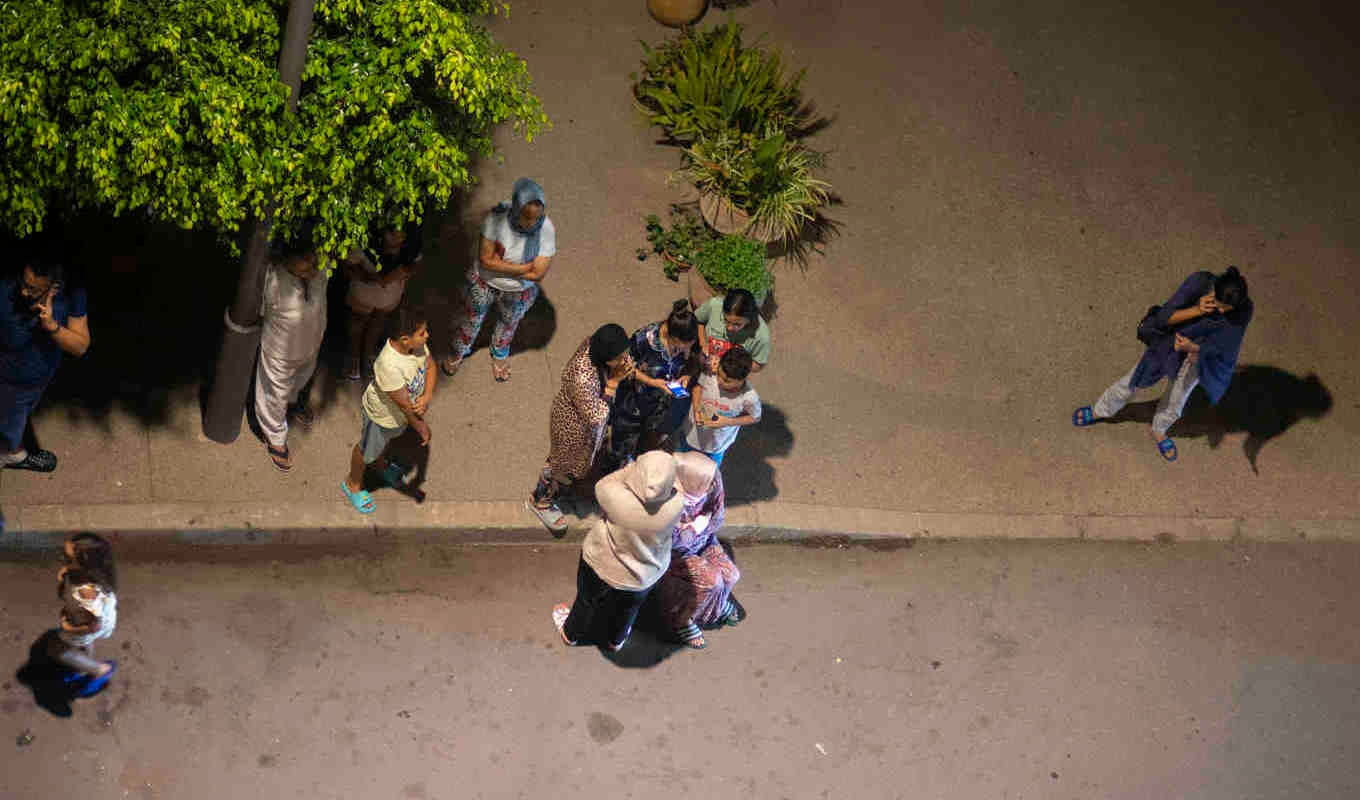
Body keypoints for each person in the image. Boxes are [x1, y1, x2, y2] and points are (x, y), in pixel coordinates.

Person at [1073, 266, 1253, 462]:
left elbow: (1226, 348)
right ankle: (1100, 410)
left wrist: (1196, 349)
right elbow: (1163, 318)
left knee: (1177, 399)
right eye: (1219, 305)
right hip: (1168, 346)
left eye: (1227, 309)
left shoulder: (1242, 311)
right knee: (1133, 381)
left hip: (1198, 357)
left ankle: (1159, 429)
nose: (1221, 311)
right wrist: (1197, 310)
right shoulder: (1200, 283)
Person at [551, 451, 685, 651]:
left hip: (601, 563)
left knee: (586, 599)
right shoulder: (677, 503)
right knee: (628, 609)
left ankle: (571, 634)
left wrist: (631, 468)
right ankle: (616, 640)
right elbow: (676, 486)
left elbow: (603, 484)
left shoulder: (617, 497)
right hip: (644, 576)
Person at [442, 178, 556, 383]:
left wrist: (500, 265)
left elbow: (538, 274)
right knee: (471, 319)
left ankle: (500, 351)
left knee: (509, 323)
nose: (532, 224)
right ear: (516, 209)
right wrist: (523, 268)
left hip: (519, 291)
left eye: (536, 218)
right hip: (485, 283)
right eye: (527, 218)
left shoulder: (546, 229)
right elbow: (486, 260)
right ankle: (459, 350)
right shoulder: (496, 219)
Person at [528, 324, 634, 534]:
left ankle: (564, 487)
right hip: (572, 428)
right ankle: (541, 500)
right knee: (559, 465)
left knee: (578, 464)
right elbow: (596, 417)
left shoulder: (594, 347)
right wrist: (613, 383)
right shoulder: (582, 376)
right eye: (619, 357)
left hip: (585, 424)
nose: (625, 360)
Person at [342, 306, 436, 513]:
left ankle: (380, 464)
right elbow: (403, 405)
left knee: (382, 443)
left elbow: (430, 366)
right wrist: (421, 427)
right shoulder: (389, 366)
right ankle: (352, 484)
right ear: (405, 339)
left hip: (399, 418)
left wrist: (427, 396)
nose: (427, 336)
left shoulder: (417, 348)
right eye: (422, 333)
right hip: (382, 418)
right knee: (365, 450)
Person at [1, 257, 90, 473]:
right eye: (23, 283)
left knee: (16, 419)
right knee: (10, 427)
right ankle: (12, 455)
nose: (23, 292)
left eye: (32, 289)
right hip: (9, 384)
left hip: (39, 378)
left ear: (54, 287)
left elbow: (80, 346)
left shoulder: (72, 292)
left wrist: (51, 326)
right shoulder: (5, 288)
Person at [657, 451, 743, 649]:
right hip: (675, 556)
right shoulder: (665, 495)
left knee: (731, 575)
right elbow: (673, 542)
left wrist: (694, 529)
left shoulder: (712, 479)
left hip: (704, 541)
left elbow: (717, 516)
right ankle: (681, 620)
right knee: (712, 581)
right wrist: (695, 528)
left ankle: (712, 609)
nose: (707, 490)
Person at [601, 299, 700, 471]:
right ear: (671, 335)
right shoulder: (644, 339)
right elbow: (623, 366)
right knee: (621, 444)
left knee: (645, 439)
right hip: (633, 404)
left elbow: (693, 360)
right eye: (682, 346)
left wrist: (686, 375)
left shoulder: (688, 336)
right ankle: (613, 470)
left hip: (659, 404)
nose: (684, 350)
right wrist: (652, 382)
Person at [254, 243, 326, 472]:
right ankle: (275, 437)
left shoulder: (321, 265)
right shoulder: (273, 279)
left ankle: (292, 403)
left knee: (299, 381)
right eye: (305, 268)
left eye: (314, 264)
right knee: (274, 396)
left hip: (310, 345)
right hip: (280, 353)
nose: (313, 271)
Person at [341, 222, 423, 381]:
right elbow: (347, 265)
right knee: (358, 321)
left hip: (389, 297)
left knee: (378, 321)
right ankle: (354, 357)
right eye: (392, 233)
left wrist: (403, 272)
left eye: (402, 234)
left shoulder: (411, 248)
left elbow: (415, 264)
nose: (398, 238)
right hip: (363, 294)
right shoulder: (365, 245)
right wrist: (371, 278)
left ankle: (368, 355)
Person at [49, 533, 118, 697]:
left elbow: (94, 626)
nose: (62, 558)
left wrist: (68, 626)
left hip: (85, 624)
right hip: (92, 618)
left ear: (84, 563)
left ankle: (100, 670)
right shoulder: (88, 574)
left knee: (57, 650)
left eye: (68, 558)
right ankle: (83, 667)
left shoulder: (86, 592)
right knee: (85, 644)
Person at [677, 346, 762, 466]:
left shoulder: (749, 397)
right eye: (719, 375)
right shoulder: (709, 373)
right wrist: (696, 408)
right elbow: (698, 387)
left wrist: (727, 422)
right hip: (690, 434)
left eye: (727, 381)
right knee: (679, 465)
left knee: (708, 474)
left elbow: (755, 417)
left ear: (743, 379)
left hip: (716, 445)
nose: (720, 381)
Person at [692, 288, 770, 374]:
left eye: (737, 324)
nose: (729, 328)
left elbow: (758, 365)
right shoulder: (714, 305)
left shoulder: (761, 336)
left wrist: (733, 364)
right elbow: (697, 321)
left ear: (749, 319)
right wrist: (703, 343)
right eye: (725, 320)